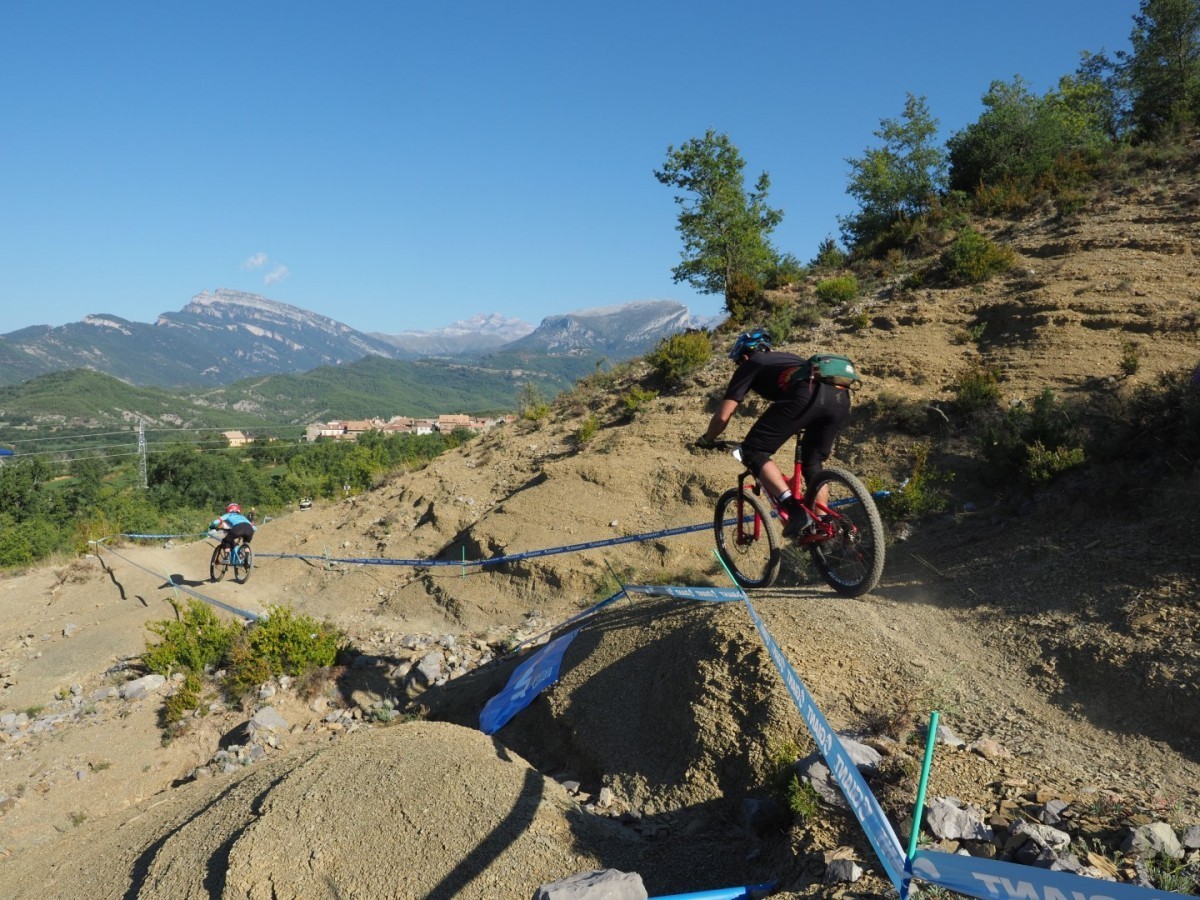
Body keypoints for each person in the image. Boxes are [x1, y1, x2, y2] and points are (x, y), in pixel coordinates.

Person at [695, 328, 852, 537]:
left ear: (743, 355)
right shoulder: (789, 359)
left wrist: (708, 439)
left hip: (805, 396)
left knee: (752, 451)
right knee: (812, 463)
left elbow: (723, 416)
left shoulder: (751, 363)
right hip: (841, 399)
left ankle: (794, 510)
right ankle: (824, 524)